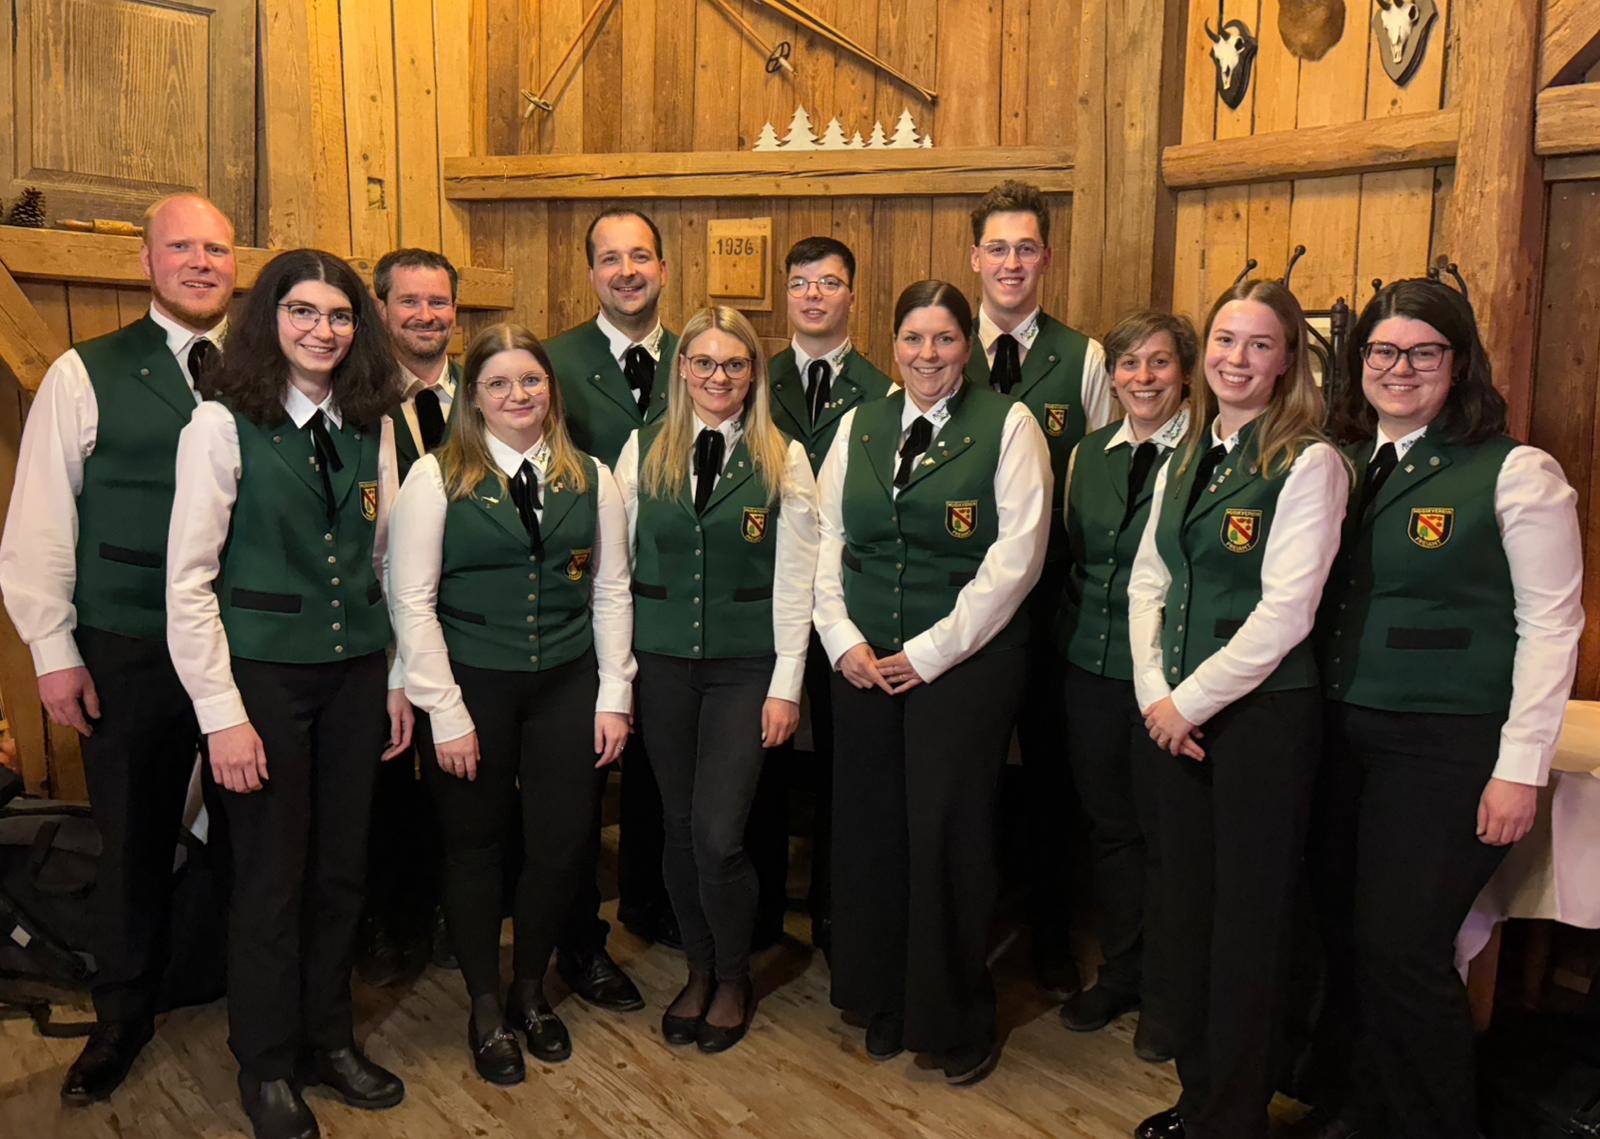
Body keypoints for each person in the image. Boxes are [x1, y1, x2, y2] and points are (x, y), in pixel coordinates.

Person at [1291, 278, 1583, 1139]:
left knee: (1403, 946)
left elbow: (1551, 625)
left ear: (1460, 364)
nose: (1400, 367)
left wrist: (1520, 768)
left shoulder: (1515, 471)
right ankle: (1360, 1107)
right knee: (1341, 934)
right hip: (1338, 734)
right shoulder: (1338, 460)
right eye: (1383, 350)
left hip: (1445, 746)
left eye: (1424, 351)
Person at [166, 249, 414, 1139]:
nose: (322, 329)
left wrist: (394, 677)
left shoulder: (372, 424)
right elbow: (188, 584)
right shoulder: (220, 424)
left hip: (355, 676)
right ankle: (267, 1062)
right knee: (271, 881)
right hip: (262, 682)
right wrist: (222, 716)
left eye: (339, 314)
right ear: (269, 319)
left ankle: (329, 1039)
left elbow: (384, 560)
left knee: (342, 871)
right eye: (303, 310)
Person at [0, 193, 234, 1105]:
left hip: (245, 644)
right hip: (128, 644)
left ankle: (223, 973)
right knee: (133, 834)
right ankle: (122, 1014)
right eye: (182, 247)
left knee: (248, 829)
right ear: (147, 261)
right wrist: (53, 648)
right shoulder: (83, 372)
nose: (201, 262)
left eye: (216, 248)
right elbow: (40, 519)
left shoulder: (266, 370)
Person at [1126, 279, 1349, 1139]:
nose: (1237, 358)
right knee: (1187, 916)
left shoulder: (1308, 461)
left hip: (1260, 723)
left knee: (1247, 929)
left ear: (1287, 359)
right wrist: (1155, 694)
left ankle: (1234, 1116)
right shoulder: (1187, 451)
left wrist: (1186, 701)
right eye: (1224, 339)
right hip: (1176, 718)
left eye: (1259, 344)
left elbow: (1286, 612)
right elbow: (1150, 578)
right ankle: (1199, 1096)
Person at [816, 280, 1051, 1086]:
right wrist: (840, 637)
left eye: (945, 338)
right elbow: (826, 536)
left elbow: (1016, 559)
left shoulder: (1009, 425)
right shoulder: (860, 424)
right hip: (862, 662)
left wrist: (930, 651)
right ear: (893, 345)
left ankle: (953, 1014)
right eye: (913, 338)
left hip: (964, 665)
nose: (927, 354)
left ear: (968, 346)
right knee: (872, 830)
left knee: (947, 835)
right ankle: (883, 994)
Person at [388, 322, 635, 1084]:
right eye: (498, 383)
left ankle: (530, 989)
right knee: (475, 848)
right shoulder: (435, 478)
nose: (517, 394)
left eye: (530, 380)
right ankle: (485, 1004)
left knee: (561, 843)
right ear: (474, 397)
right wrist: (444, 709)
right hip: (473, 684)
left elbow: (611, 589)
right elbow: (411, 600)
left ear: (550, 390)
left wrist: (615, 692)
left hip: (566, 683)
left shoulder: (593, 476)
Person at [616, 305, 819, 1053]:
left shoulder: (783, 457)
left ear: (753, 373)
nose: (718, 376)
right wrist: (618, 678)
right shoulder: (643, 451)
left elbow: (797, 583)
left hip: (745, 669)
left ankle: (734, 977)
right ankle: (698, 971)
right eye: (703, 362)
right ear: (683, 369)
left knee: (719, 833)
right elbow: (615, 571)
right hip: (662, 664)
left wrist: (787, 684)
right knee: (676, 828)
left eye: (733, 363)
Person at [966, 180, 1111, 998]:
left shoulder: (1083, 358)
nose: (1011, 262)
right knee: (972, 774)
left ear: (1046, 257)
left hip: (1052, 604)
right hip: (961, 607)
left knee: (1054, 776)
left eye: (1026, 248)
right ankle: (975, 923)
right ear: (974, 257)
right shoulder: (941, 345)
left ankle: (1052, 935)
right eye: (998, 247)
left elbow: (1099, 475)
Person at [545, 208, 680, 984]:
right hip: (583, 601)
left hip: (672, 599)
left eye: (640, 256)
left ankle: (654, 902)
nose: (626, 271)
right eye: (610, 258)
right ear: (590, 272)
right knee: (580, 780)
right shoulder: (553, 362)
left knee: (663, 764)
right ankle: (577, 939)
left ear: (663, 267)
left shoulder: (699, 357)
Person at [1055, 311, 1194, 1062]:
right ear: (1111, 376)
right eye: (1129, 363)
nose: (1143, 377)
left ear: (1185, 372)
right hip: (1090, 667)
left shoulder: (1205, 454)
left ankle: (1170, 995)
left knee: (1170, 838)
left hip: (1173, 682)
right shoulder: (1087, 455)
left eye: (1159, 362)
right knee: (1109, 830)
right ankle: (1121, 972)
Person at [764, 235, 894, 953]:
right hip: (769, 597)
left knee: (848, 762)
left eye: (829, 282)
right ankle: (759, 906)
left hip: (848, 604)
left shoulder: (883, 391)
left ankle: (836, 908)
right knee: (763, 752)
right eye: (800, 283)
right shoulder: (753, 378)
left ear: (853, 295)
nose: (813, 295)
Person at [360, 246, 464, 984]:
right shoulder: (358, 400)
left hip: (471, 622)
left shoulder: (487, 394)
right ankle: (388, 919)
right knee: (388, 776)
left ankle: (455, 910)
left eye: (439, 302)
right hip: (386, 628)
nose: (426, 316)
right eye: (410, 301)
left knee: (463, 778)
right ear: (381, 308)